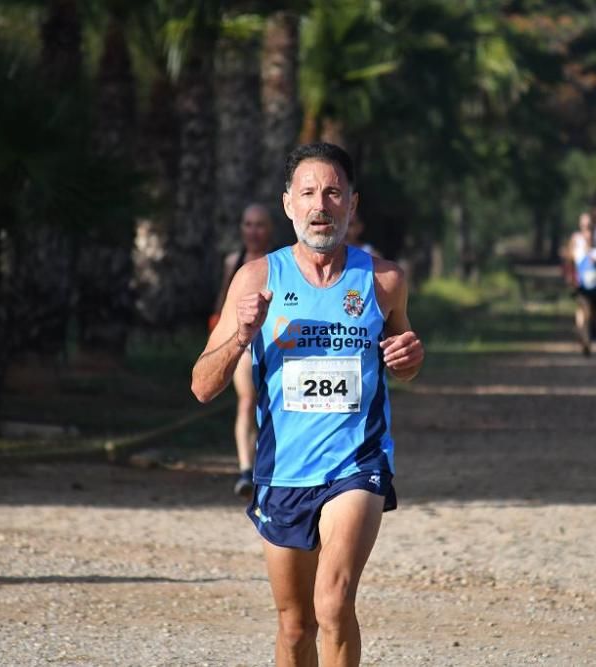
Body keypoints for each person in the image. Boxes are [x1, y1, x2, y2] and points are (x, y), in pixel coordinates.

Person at [191, 142, 424, 667]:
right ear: (288, 204)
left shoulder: (383, 281)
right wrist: (241, 336)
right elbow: (203, 386)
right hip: (283, 472)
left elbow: (404, 359)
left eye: (334, 192)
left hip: (356, 465)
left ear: (352, 205)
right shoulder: (257, 279)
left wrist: (410, 355)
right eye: (309, 193)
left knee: (334, 603)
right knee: (295, 626)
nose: (321, 205)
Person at [210, 203, 275, 498]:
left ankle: (268, 464)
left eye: (259, 225)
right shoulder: (233, 261)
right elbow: (224, 302)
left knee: (271, 404)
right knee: (247, 402)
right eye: (248, 224)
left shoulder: (279, 263)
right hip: (243, 342)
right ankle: (245, 469)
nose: (253, 231)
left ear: (270, 229)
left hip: (275, 343)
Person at [570, 211, 596, 356]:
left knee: (594, 315)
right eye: (584, 227)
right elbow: (568, 261)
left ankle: (589, 332)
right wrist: (570, 277)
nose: (587, 230)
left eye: (589, 227)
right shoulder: (575, 240)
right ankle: (584, 338)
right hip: (582, 288)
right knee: (584, 313)